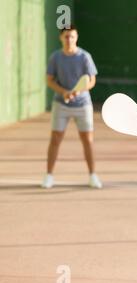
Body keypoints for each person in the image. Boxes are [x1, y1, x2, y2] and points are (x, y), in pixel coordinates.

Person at [42, 25, 102, 189]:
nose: (69, 40)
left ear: (76, 38)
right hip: (60, 104)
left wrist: (79, 90)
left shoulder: (84, 57)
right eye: (66, 36)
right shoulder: (55, 57)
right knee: (55, 139)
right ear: (61, 38)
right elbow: (49, 80)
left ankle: (92, 176)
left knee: (87, 141)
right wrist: (64, 92)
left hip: (83, 105)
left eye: (72, 36)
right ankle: (48, 176)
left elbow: (91, 81)